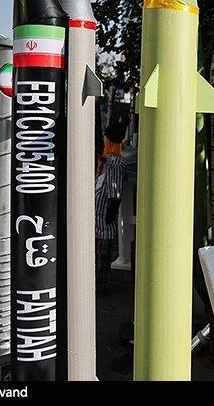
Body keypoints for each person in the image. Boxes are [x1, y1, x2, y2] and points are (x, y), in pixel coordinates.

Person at [94, 119, 128, 296]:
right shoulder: (107, 161)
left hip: (103, 223)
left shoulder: (114, 163)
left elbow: (115, 194)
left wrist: (108, 218)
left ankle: (99, 289)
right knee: (99, 260)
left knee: (101, 261)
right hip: (100, 221)